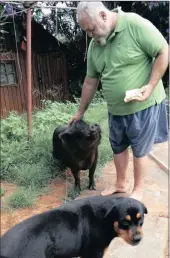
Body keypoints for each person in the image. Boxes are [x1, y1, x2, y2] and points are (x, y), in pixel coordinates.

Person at [69, 2, 169, 201]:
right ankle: (120, 183)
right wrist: (80, 112)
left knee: (140, 149)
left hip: (143, 105)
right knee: (118, 146)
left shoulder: (134, 24)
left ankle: (139, 189)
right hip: (116, 109)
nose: (91, 35)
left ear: (103, 16)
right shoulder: (95, 45)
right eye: (87, 31)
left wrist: (150, 85)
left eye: (91, 29)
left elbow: (163, 50)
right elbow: (90, 81)